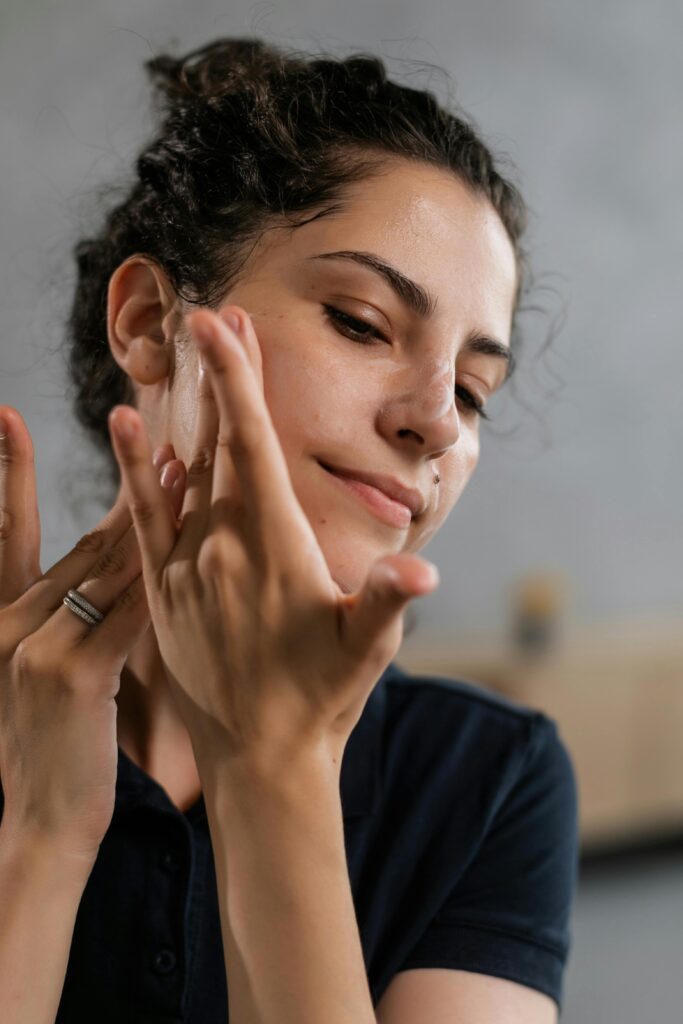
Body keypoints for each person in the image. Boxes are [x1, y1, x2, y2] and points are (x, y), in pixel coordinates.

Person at [0, 37, 578, 1024]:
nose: (436, 420)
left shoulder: (488, 781)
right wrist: (41, 839)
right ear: (148, 322)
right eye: (360, 320)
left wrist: (274, 765)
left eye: (474, 391)